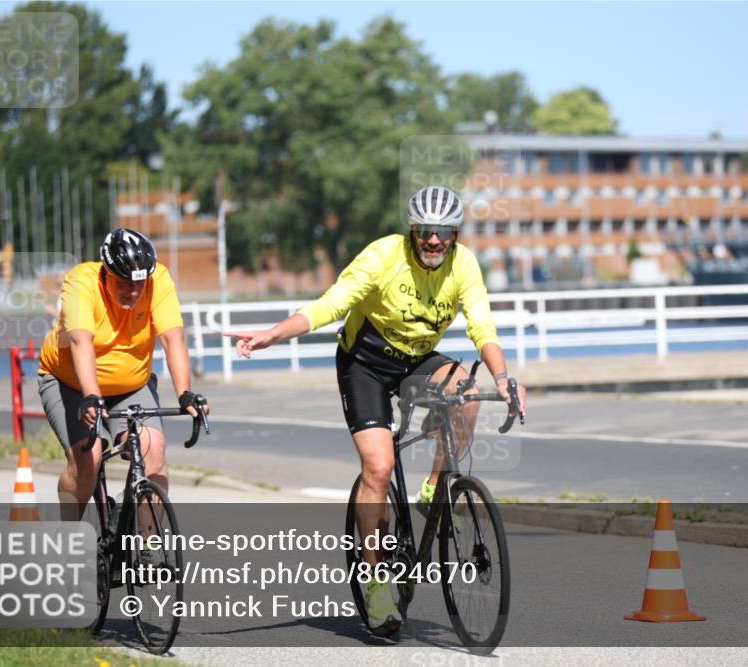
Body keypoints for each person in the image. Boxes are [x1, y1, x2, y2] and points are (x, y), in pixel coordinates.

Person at [225, 185, 527, 635]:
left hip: (417, 358)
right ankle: (376, 581)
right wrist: (274, 334)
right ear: (412, 229)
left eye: (443, 232)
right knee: (379, 466)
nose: (433, 241)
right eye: (425, 231)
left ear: (455, 234)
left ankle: (433, 489)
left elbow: (482, 323)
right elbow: (332, 304)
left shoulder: (463, 263)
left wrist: (504, 379)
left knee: (466, 389)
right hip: (364, 363)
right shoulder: (383, 256)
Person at [37, 228, 208, 522]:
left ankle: (147, 547)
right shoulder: (82, 281)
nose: (132, 290)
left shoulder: (158, 280)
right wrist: (92, 396)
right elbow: (80, 341)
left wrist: (185, 392)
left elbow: (172, 339)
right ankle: (68, 531)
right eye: (123, 282)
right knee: (88, 460)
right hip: (70, 382)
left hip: (132, 384)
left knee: (152, 448)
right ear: (106, 273)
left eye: (138, 284)